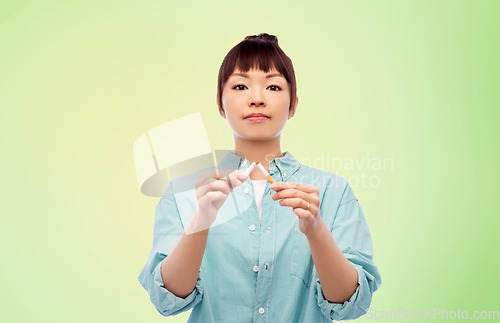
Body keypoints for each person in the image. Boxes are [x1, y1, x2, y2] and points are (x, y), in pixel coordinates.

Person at [138, 33, 382, 322]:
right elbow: (168, 300)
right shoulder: (184, 192)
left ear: (293, 105)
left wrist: (316, 229)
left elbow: (350, 304)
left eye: (273, 86)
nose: (256, 99)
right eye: (240, 86)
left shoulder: (333, 191)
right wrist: (200, 222)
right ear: (220, 103)